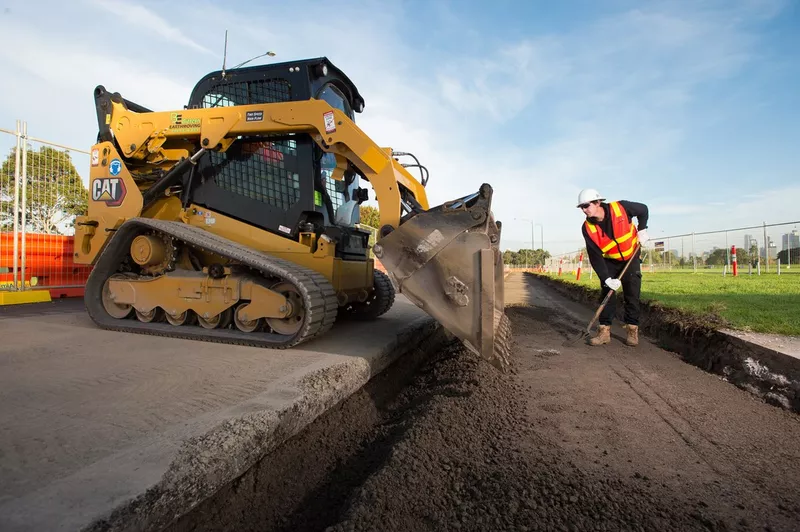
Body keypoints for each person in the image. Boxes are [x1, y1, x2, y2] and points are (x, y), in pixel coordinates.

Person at [577, 188, 650, 347]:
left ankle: (632, 330)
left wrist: (643, 229)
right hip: (609, 261)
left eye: (586, 205)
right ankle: (604, 332)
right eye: (581, 207)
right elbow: (595, 255)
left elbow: (643, 209)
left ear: (598, 202)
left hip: (631, 257)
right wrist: (606, 278)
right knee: (607, 294)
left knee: (632, 293)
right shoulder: (587, 228)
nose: (584, 210)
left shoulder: (621, 208)